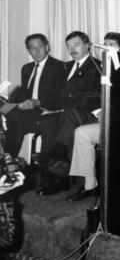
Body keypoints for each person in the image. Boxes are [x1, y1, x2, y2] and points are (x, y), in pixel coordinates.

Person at [34, 31, 102, 195]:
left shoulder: (97, 66)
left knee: (69, 114)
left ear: (87, 45)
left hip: (90, 114)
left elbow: (94, 97)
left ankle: (57, 157)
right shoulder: (67, 66)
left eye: (76, 45)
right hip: (68, 113)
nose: (72, 49)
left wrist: (64, 107)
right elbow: (58, 94)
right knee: (48, 121)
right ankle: (58, 176)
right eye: (69, 46)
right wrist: (49, 107)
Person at [67, 33, 120, 201]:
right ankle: (91, 186)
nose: (104, 48)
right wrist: (102, 111)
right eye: (104, 44)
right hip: (109, 121)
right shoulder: (105, 67)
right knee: (82, 132)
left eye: (110, 44)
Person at [2, 34, 66, 157]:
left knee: (48, 124)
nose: (36, 51)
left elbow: (59, 95)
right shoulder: (26, 68)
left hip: (50, 112)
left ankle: (46, 169)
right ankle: (9, 162)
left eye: (40, 47)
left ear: (47, 47)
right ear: (28, 50)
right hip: (31, 113)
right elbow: (25, 92)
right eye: (32, 48)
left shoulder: (60, 67)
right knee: (9, 117)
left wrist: (38, 102)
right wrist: (15, 104)